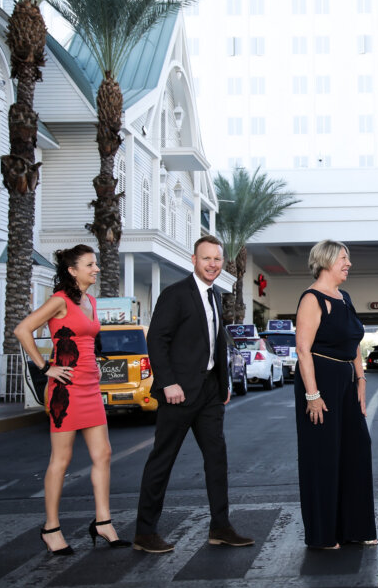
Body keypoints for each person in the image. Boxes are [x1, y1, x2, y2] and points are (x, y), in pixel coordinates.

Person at [133, 235, 254, 554]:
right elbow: (157, 340)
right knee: (163, 459)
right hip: (178, 394)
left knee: (217, 459)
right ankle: (144, 533)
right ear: (194, 260)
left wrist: (224, 383)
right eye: (207, 259)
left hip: (210, 395)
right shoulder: (175, 295)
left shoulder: (215, 296)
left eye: (217, 259)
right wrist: (168, 382)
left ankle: (221, 527)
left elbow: (216, 343)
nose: (213, 264)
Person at [15, 244, 129, 555]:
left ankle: (103, 521)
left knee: (103, 454)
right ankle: (51, 528)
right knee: (61, 461)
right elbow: (23, 330)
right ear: (72, 270)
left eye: (96, 264)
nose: (96, 269)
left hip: (91, 387)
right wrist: (45, 367)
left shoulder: (91, 301)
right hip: (66, 391)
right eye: (90, 264)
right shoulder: (59, 301)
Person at [294, 240, 377, 549]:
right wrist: (312, 395)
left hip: (345, 379)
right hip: (320, 379)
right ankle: (323, 534)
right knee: (323, 456)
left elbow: (354, 341)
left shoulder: (344, 297)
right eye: (344, 258)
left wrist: (361, 379)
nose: (349, 263)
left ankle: (354, 527)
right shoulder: (312, 299)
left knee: (357, 448)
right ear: (327, 261)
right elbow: (303, 349)